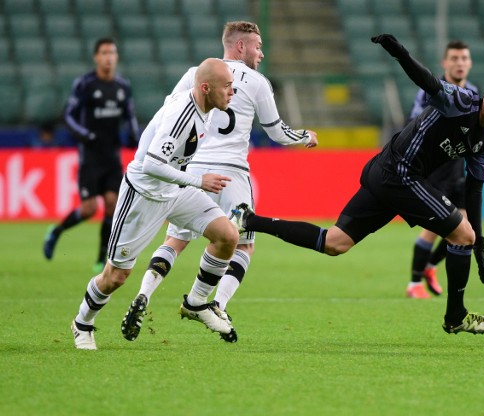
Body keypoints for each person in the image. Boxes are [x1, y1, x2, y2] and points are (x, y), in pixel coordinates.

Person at [230, 34, 484, 335]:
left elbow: (474, 189)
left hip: (386, 172)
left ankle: (251, 220)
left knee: (335, 243)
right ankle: (455, 316)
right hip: (400, 172)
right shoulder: (461, 102)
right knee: (461, 234)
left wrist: (480, 243)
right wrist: (400, 52)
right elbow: (429, 82)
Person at [120, 21, 318, 343]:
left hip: (192, 169)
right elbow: (276, 131)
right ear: (240, 46)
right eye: (257, 46)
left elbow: (170, 111)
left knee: (176, 240)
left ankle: (144, 293)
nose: (261, 54)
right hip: (231, 173)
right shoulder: (256, 82)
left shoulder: (197, 74)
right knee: (243, 244)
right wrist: (305, 135)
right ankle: (216, 304)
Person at [71, 58, 239, 350]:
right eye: (226, 86)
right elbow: (150, 163)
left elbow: (195, 72)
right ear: (205, 88)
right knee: (116, 276)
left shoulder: (203, 98)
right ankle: (82, 323)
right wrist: (200, 181)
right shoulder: (182, 117)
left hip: (175, 191)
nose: (232, 92)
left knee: (227, 236)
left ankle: (197, 302)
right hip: (144, 196)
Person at [43, 38, 139, 273]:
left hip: (111, 157)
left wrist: (134, 136)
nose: (108, 57)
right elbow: (68, 115)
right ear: (96, 57)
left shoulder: (122, 86)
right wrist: (85, 135)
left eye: (112, 53)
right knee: (88, 209)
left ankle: (101, 259)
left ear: (116, 57)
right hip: (90, 158)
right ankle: (56, 231)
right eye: (104, 53)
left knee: (110, 205)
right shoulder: (85, 84)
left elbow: (130, 115)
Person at [406, 40, 478, 299]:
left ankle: (429, 267)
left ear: (469, 63)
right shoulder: (431, 90)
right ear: (445, 63)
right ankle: (414, 284)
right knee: (435, 227)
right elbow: (414, 123)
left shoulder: (472, 91)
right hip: (435, 168)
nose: (459, 63)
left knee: (466, 229)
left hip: (458, 169)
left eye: (464, 58)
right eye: (455, 58)